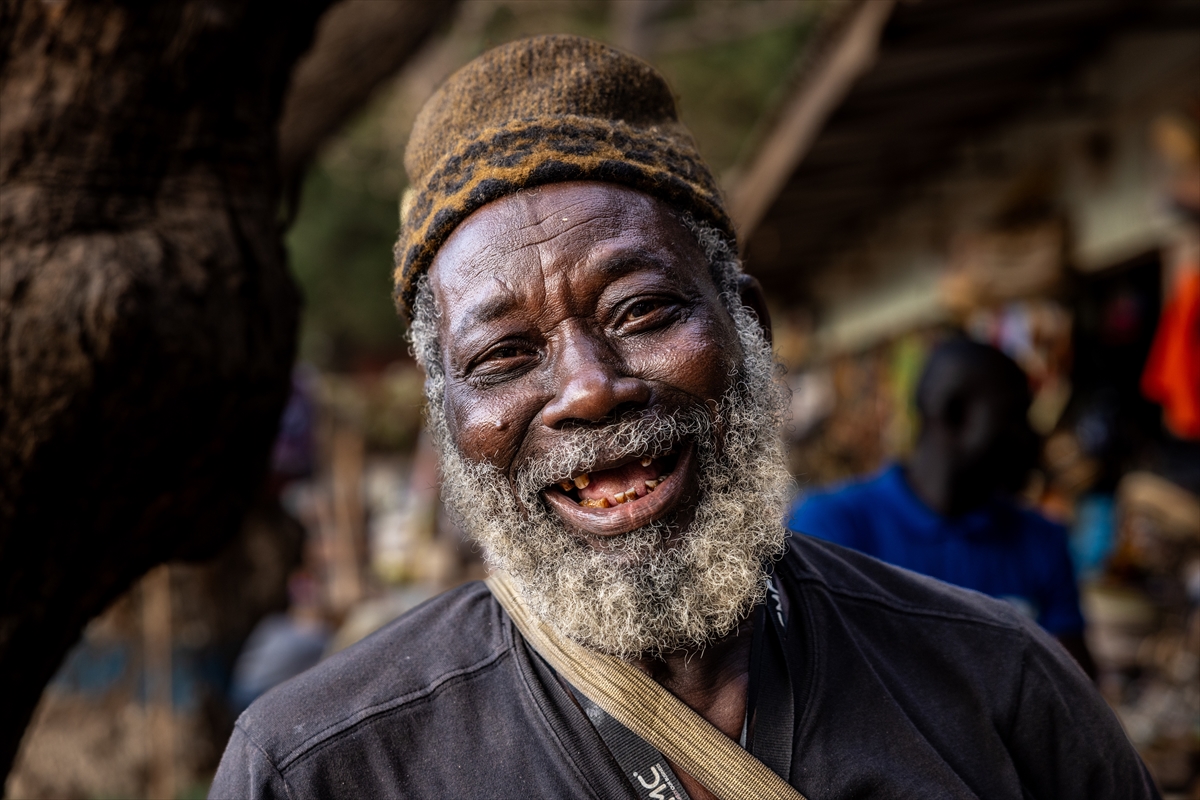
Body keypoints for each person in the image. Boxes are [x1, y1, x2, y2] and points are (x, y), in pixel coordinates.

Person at [210, 36, 1155, 799]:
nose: (589, 389)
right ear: (449, 416)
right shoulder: (321, 767)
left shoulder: (998, 684)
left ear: (749, 325)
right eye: (503, 357)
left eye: (644, 311)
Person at [788, 339, 1097, 677]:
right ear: (953, 412)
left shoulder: (1042, 540)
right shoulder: (831, 529)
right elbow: (816, 680)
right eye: (1014, 417)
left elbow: (1073, 693)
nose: (1030, 438)